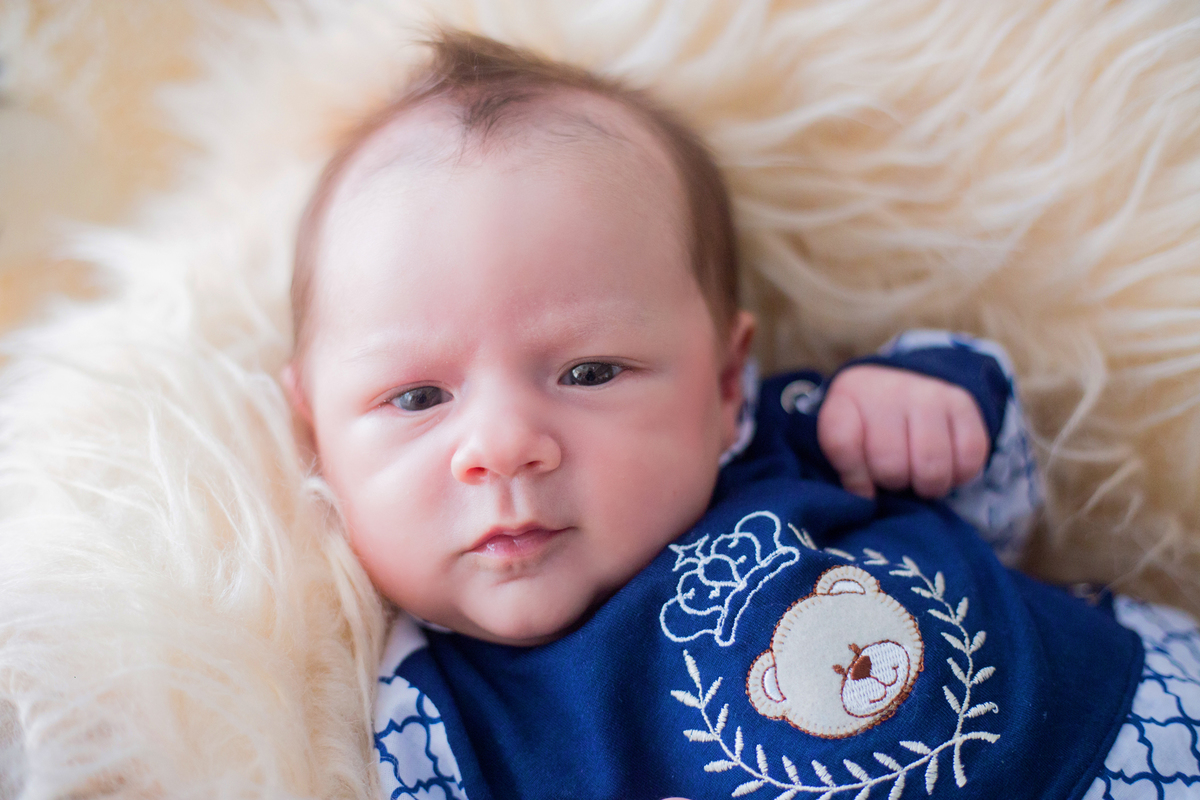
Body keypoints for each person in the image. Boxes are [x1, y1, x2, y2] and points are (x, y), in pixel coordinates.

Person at [282, 30, 1200, 800]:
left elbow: (1000, 512)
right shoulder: (422, 722)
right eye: (415, 399)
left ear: (725, 386)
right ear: (313, 428)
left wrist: (921, 408)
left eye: (592, 370)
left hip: (1146, 703)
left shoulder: (787, 441)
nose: (503, 445)